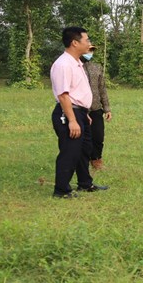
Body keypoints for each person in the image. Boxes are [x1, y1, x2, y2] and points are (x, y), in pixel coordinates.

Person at [50, 26, 109, 198]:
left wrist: (84, 114)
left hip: (81, 113)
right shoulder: (63, 64)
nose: (89, 43)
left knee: (84, 149)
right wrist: (73, 120)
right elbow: (63, 95)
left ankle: (85, 183)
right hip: (69, 112)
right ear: (75, 43)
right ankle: (61, 190)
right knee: (70, 151)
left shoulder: (77, 63)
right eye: (87, 40)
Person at [81, 46, 112, 171]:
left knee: (98, 136)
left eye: (92, 51)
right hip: (81, 109)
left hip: (96, 108)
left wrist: (107, 108)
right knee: (83, 138)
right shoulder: (76, 68)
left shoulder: (97, 67)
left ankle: (96, 159)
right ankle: (82, 161)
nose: (90, 53)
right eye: (88, 50)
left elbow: (102, 89)